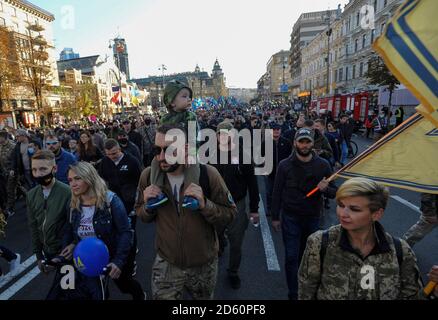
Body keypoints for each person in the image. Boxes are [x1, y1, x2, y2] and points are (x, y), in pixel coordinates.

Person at [135, 124, 237, 300]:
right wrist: (147, 207)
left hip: (203, 266)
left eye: (168, 150)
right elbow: (141, 214)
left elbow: (230, 215)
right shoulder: (147, 176)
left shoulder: (208, 174)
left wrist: (205, 205)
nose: (161, 157)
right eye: (156, 150)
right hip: (167, 265)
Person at [298, 178, 423, 300]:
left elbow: (412, 295)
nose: (343, 213)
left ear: (376, 214)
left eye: (354, 209)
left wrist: (433, 292)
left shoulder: (400, 251)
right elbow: (306, 292)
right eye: (341, 205)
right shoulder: (319, 243)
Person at [271, 128, 337, 300]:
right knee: (291, 257)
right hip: (290, 218)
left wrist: (326, 189)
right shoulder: (284, 165)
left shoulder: (323, 165)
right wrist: (275, 217)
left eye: (307, 141)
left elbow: (335, 192)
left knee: (308, 257)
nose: (304, 145)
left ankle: (307, 289)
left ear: (312, 143)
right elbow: (276, 192)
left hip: (313, 218)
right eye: (301, 141)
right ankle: (294, 293)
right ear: (295, 143)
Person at [52, 162, 132, 300]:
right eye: (70, 180)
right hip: (85, 259)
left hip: (111, 256)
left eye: (77, 178)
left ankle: (139, 295)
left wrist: (118, 261)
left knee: (124, 285)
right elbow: (70, 228)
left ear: (89, 178)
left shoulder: (111, 201)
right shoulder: (73, 203)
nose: (73, 184)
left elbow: (125, 232)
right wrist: (69, 245)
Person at [210, 122, 260, 289]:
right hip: (215, 205)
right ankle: (220, 246)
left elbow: (253, 184)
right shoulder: (209, 155)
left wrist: (254, 209)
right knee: (212, 239)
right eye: (220, 133)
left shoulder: (244, 155)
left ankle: (233, 271)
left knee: (236, 242)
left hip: (236, 204)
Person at [97, 138, 145, 299]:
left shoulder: (131, 161)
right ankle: (121, 254)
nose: (112, 156)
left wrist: (138, 201)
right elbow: (101, 180)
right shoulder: (105, 162)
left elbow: (141, 181)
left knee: (129, 231)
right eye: (109, 154)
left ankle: (130, 261)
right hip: (113, 203)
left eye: (115, 153)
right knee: (117, 231)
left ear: (120, 149)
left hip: (130, 203)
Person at [148, 80, 200, 208]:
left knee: (192, 162)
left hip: (186, 150)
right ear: (171, 101)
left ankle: (191, 194)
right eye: (184, 96)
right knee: (155, 162)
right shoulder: (165, 118)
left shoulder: (190, 116)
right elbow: (160, 136)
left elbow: (194, 137)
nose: (189, 99)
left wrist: (191, 152)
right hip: (168, 150)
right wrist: (159, 151)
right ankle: (157, 192)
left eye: (189, 96)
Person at [27, 150, 72, 297]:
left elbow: (74, 225)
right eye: (34, 169)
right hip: (48, 252)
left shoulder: (68, 193)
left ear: (54, 169)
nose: (38, 174)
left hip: (67, 255)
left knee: (64, 292)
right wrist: (38, 256)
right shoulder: (31, 195)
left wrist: (72, 246)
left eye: (43, 169)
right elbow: (34, 227)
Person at [261, 122, 292, 217]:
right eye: (274, 130)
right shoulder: (265, 142)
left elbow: (290, 157)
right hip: (270, 172)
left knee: (283, 191)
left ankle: (282, 208)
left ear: (280, 130)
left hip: (283, 173)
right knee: (269, 192)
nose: (276, 131)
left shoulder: (286, 142)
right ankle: (270, 208)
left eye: (278, 129)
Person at [0, 131, 17, 217]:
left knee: (10, 190)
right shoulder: (0, 146)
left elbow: (15, 159)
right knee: (13, 189)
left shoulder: (12, 146)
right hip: (4, 172)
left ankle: (11, 209)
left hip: (12, 172)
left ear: (4, 137)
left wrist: (13, 170)